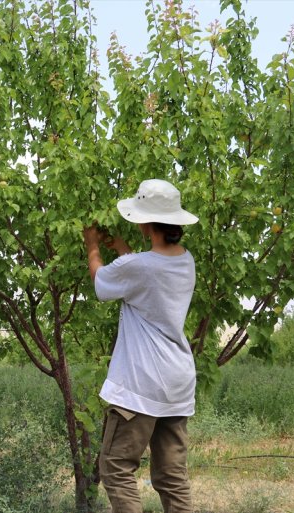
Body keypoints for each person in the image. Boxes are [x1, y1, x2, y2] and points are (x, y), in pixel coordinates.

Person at [83, 179, 199, 513]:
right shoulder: (184, 261)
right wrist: (120, 247)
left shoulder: (139, 266)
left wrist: (93, 246)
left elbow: (103, 283)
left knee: (116, 469)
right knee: (172, 477)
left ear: (146, 224)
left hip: (141, 385)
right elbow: (145, 274)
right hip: (176, 384)